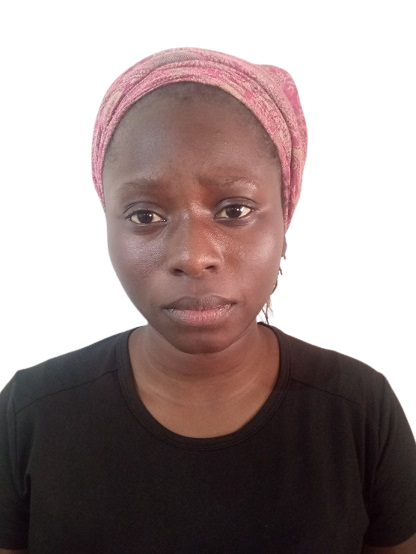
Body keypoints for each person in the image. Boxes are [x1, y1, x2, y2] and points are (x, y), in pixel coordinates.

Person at [0, 46, 415, 554]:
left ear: (285, 218)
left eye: (234, 210)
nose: (193, 257)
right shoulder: (29, 414)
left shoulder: (360, 411)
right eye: (145, 216)